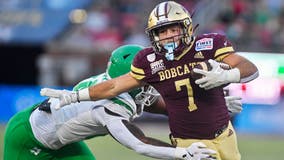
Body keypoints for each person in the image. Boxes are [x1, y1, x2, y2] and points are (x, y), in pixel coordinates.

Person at [41, 1, 258, 159]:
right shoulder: (149, 60)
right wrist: (75, 96)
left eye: (174, 29)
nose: (169, 36)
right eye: (162, 32)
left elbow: (251, 69)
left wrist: (227, 75)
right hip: (189, 141)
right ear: (154, 35)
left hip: (225, 133)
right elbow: (115, 85)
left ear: (187, 28)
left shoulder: (209, 44)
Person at [4, 45, 219, 160]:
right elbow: (140, 143)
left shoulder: (120, 86)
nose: (151, 84)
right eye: (143, 79)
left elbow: (166, 107)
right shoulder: (110, 105)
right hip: (27, 138)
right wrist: (181, 153)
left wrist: (211, 107)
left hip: (60, 141)